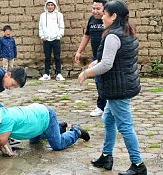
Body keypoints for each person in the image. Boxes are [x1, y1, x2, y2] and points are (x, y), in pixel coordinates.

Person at [77, 1, 147, 175]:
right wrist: (94, 63)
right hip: (123, 84)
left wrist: (86, 73)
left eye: (105, 14)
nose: (102, 17)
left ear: (114, 16)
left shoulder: (113, 36)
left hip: (118, 89)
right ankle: (106, 156)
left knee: (125, 127)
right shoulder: (127, 32)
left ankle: (138, 165)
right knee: (108, 119)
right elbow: (110, 58)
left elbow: (107, 64)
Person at [0, 103, 90, 156]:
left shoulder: (6, 120)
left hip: (45, 115)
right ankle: (59, 127)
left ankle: (76, 131)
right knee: (34, 142)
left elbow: (1, 141)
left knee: (58, 145)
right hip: (35, 119)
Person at [75, 0, 108, 117]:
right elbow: (87, 35)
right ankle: (101, 106)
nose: (95, 11)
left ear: (105, 9)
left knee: (108, 82)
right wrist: (79, 51)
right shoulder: (92, 19)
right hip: (96, 56)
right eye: (93, 8)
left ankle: (108, 106)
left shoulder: (109, 21)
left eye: (98, 9)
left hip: (108, 57)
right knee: (98, 82)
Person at [38, 0, 65, 81]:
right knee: (47, 57)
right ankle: (47, 74)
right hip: (46, 39)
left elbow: (61, 26)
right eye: (48, 5)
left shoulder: (59, 15)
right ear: (46, 6)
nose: (50, 7)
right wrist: (42, 36)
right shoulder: (43, 15)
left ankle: (59, 74)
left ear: (55, 6)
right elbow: (40, 26)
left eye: (52, 5)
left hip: (56, 39)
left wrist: (59, 35)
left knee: (57, 57)